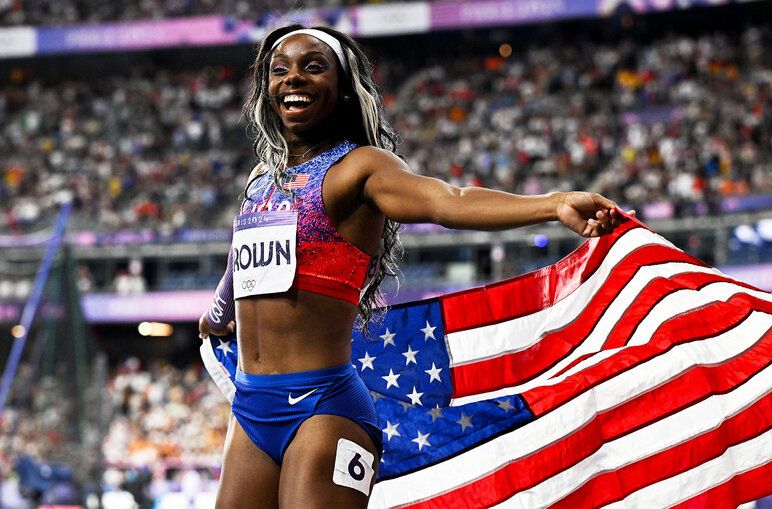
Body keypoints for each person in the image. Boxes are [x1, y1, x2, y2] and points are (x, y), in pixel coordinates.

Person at [198, 24, 630, 509]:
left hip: (322, 409)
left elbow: (450, 201)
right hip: (252, 407)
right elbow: (244, 261)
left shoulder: (361, 168)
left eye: (313, 67)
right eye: (281, 70)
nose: (293, 79)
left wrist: (553, 204)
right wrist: (217, 311)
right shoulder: (262, 179)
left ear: (343, 90)